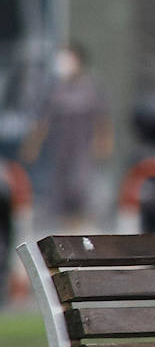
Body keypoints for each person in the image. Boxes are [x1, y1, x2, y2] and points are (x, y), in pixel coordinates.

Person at [20, 43, 113, 232]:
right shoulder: (55, 90)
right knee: (59, 192)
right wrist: (33, 145)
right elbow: (42, 121)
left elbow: (102, 118)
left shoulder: (91, 88)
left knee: (80, 189)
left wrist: (104, 142)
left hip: (83, 149)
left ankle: (80, 229)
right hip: (59, 149)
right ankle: (66, 232)